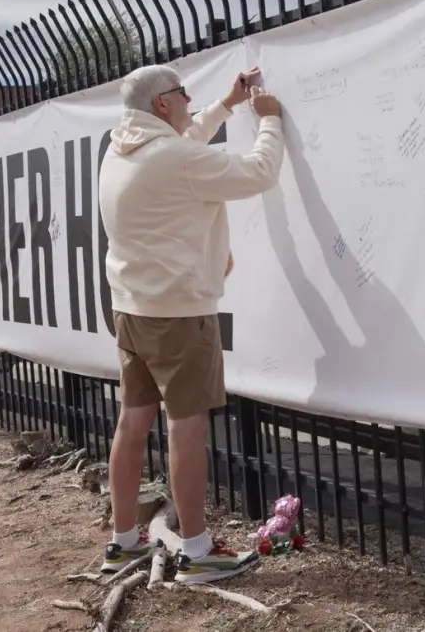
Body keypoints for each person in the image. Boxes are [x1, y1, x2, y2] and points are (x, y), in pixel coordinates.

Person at [96, 64, 285, 584]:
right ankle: (198, 552)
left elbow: (186, 141)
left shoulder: (120, 149)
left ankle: (124, 540)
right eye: (182, 93)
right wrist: (268, 121)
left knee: (133, 423)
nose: (188, 99)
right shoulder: (174, 157)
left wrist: (226, 104)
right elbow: (257, 174)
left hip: (131, 308)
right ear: (161, 104)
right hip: (178, 313)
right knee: (186, 427)